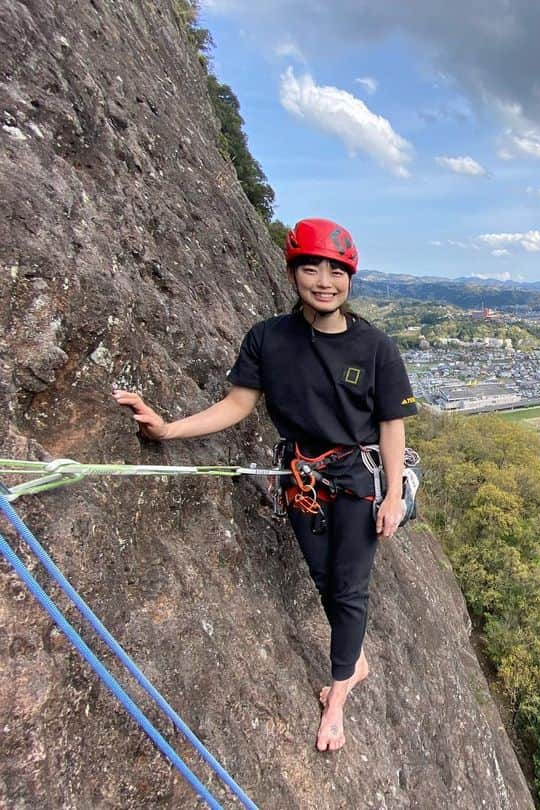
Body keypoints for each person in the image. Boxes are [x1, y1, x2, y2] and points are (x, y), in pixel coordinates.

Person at [113, 218, 418, 752]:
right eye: (310, 267)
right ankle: (357, 660)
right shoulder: (269, 338)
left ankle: (339, 696)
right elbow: (238, 404)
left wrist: (393, 494)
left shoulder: (375, 348)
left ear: (349, 278)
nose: (324, 280)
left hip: (356, 479)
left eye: (335, 270)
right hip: (301, 475)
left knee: (348, 589)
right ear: (293, 273)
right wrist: (167, 429)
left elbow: (392, 424)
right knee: (324, 580)